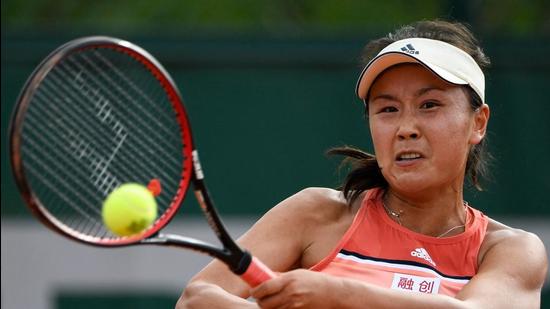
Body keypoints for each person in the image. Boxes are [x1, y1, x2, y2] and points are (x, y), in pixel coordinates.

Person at [176, 20, 548, 308]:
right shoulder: (316, 213)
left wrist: (340, 295)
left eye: (429, 105)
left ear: (478, 123)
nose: (405, 129)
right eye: (387, 109)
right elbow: (196, 298)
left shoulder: (510, 251)